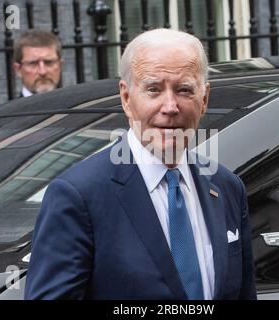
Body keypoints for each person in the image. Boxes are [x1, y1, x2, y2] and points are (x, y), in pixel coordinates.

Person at [24, 28, 256, 300]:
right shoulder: (79, 195)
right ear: (126, 98)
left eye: (184, 90)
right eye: (153, 90)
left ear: (204, 99)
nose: (170, 106)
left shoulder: (226, 187)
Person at [13, 29, 63, 97]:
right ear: (18, 70)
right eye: (33, 63)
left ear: (60, 65)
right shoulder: (12, 108)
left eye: (49, 62)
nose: (42, 72)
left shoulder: (77, 106)